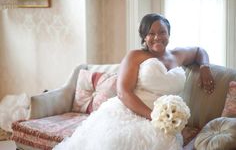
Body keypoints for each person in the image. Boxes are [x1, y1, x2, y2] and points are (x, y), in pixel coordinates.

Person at [53, 13, 214, 150]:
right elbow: (123, 92)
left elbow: (199, 51)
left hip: (165, 119)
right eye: (151, 33)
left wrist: (205, 67)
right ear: (144, 37)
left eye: (162, 32)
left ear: (169, 34)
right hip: (130, 112)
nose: (157, 37)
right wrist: (153, 117)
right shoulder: (135, 56)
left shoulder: (177, 55)